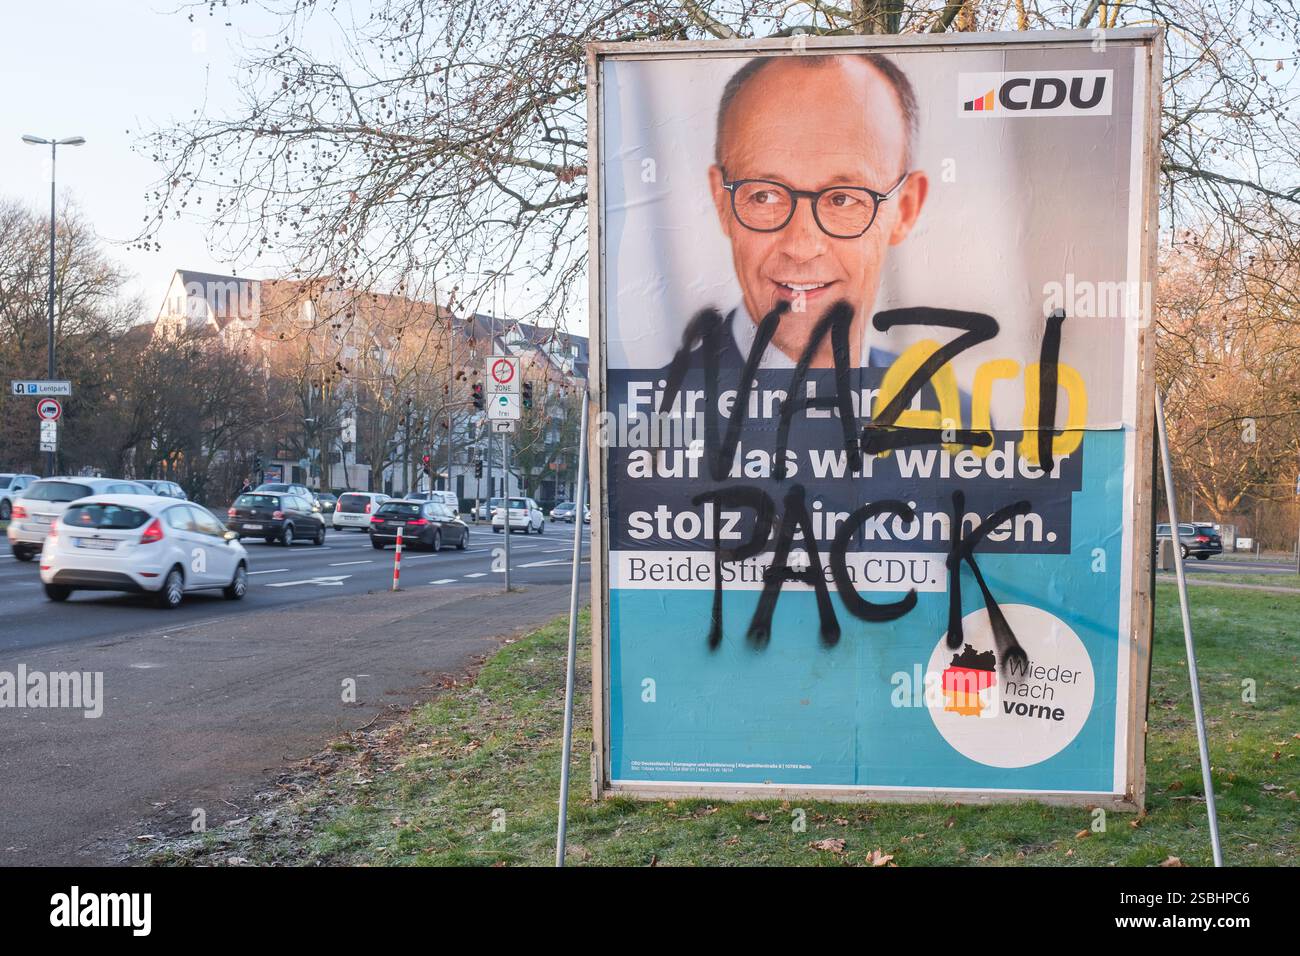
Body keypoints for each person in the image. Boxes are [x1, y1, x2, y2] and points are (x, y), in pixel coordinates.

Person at [703, 53, 929, 370]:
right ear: (721, 202)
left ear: (906, 208)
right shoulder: (640, 411)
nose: (801, 247)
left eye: (842, 199)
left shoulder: (950, 412)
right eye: (765, 196)